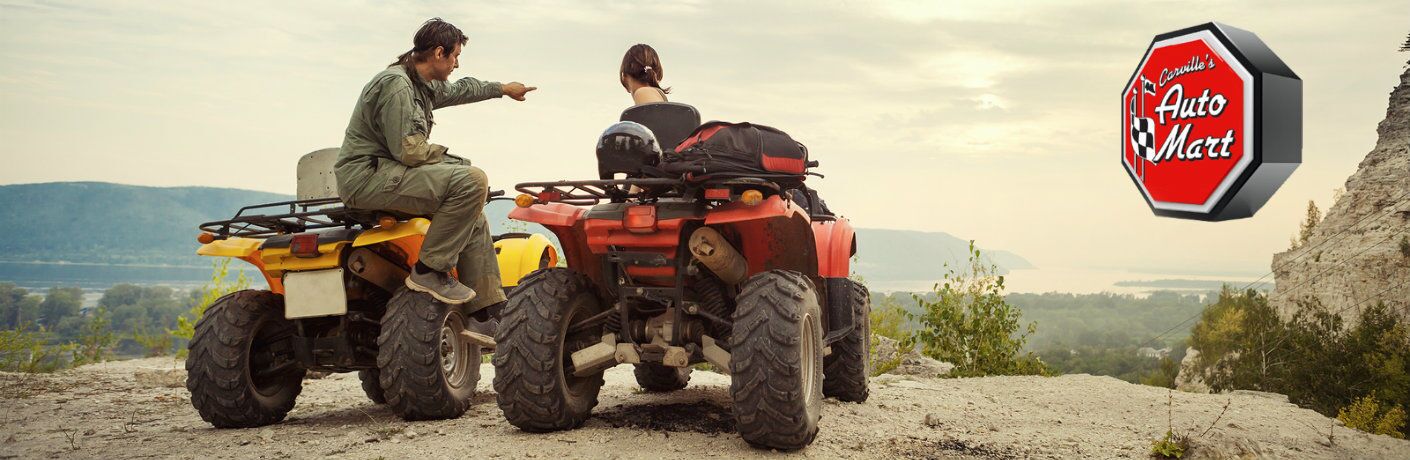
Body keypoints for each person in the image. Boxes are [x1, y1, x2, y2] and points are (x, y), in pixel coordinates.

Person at [334, 18, 534, 310]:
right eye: (455, 57)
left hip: (386, 175)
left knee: (471, 214)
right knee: (472, 180)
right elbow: (409, 151)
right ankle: (429, 271)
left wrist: (503, 89)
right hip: (368, 179)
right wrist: (456, 162)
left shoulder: (421, 84)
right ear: (439, 53)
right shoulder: (397, 86)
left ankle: (484, 312)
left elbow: (461, 90)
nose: (456, 65)